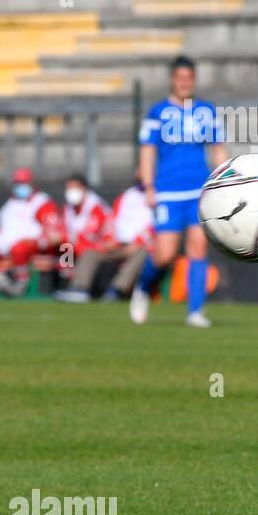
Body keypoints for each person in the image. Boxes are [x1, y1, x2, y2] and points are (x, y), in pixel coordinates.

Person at [130, 56, 227, 327]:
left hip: (199, 190)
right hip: (168, 192)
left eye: (189, 78)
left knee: (198, 248)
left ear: (194, 81)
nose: (185, 83)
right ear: (172, 80)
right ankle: (142, 288)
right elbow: (147, 152)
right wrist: (148, 187)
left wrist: (224, 182)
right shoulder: (158, 112)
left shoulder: (206, 111)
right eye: (180, 78)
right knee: (165, 254)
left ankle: (195, 311)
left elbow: (217, 149)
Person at [55, 179, 150, 303]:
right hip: (115, 244)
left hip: (140, 245)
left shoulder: (96, 206)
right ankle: (78, 289)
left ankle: (117, 290)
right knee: (85, 252)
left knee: (143, 252)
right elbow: (113, 221)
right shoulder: (127, 196)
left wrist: (138, 241)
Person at [0, 167, 63, 294]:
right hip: (8, 240)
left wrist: (40, 240)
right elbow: (6, 226)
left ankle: (22, 281)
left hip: (33, 241)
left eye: (24, 183)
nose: (21, 187)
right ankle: (1, 282)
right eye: (18, 184)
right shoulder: (11, 203)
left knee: (19, 248)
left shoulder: (42, 202)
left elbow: (54, 232)